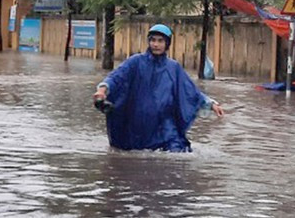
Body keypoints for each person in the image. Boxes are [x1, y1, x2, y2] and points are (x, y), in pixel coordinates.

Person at [93, 23, 224, 152]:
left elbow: (190, 91)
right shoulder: (136, 62)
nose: (156, 44)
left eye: (160, 41)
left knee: (176, 153)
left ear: (167, 43)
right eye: (153, 40)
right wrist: (102, 90)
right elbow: (116, 78)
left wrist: (211, 104)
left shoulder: (173, 68)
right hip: (138, 124)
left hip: (165, 125)